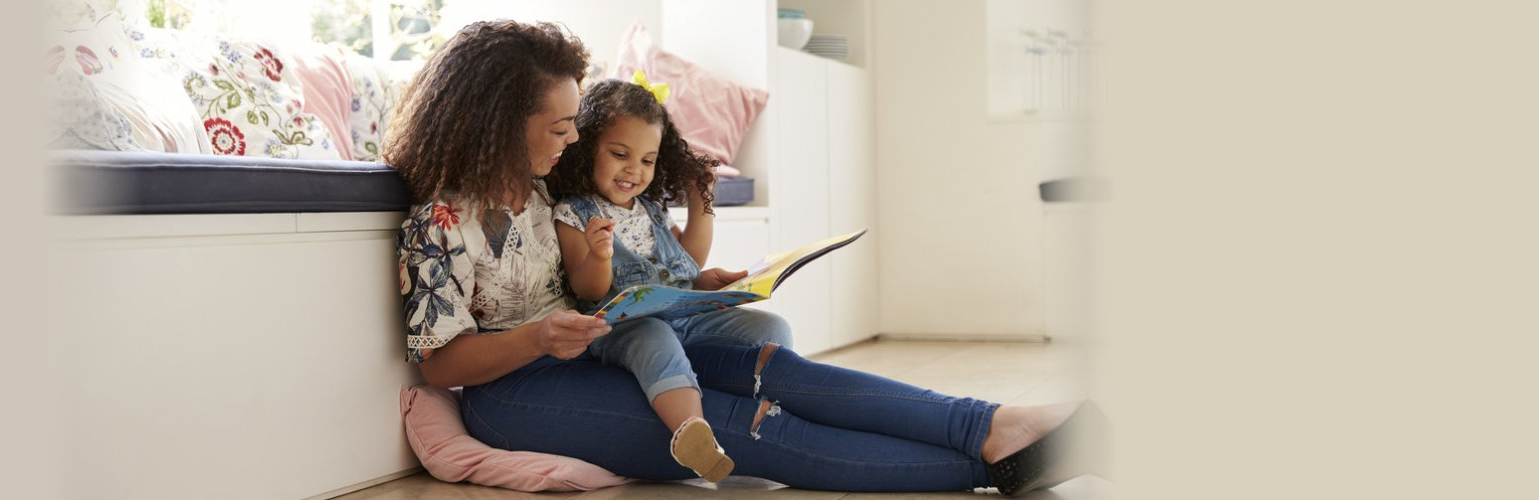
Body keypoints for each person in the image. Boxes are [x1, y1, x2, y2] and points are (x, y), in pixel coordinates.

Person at [389, 19, 1099, 495]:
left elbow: (612, 267)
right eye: (559, 127)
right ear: (494, 125)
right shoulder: (439, 222)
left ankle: (994, 424)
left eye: (576, 126)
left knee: (779, 372)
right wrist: (538, 336)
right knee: (747, 429)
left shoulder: (553, 195)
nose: (572, 142)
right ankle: (978, 466)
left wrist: (695, 286)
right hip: (518, 392)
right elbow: (440, 361)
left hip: (606, 346)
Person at [540, 77, 773, 482]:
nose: (634, 169)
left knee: (770, 326)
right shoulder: (574, 212)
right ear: (587, 148)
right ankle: (692, 432)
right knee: (653, 337)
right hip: (622, 329)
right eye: (619, 154)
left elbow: (687, 262)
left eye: (647, 160)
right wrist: (599, 255)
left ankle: (760, 395)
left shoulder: (650, 209)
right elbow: (587, 290)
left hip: (683, 317)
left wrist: (702, 216)